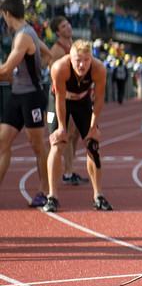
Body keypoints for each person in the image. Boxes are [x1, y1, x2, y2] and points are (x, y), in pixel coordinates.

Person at [42, 40, 113, 212]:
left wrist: (94, 127)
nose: (82, 64)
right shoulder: (60, 68)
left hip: (82, 102)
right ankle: (52, 197)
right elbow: (59, 100)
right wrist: (62, 129)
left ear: (92, 59)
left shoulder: (99, 69)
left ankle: (98, 196)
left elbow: (99, 100)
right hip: (60, 101)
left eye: (86, 60)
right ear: (70, 58)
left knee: (93, 146)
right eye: (77, 60)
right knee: (57, 145)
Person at [0, 0, 51, 207]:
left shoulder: (24, 36)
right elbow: (46, 54)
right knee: (2, 142)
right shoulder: (23, 34)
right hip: (18, 94)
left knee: (37, 145)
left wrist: (28, 74)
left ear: (7, 14)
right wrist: (29, 70)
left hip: (32, 97)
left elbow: (5, 70)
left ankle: (44, 191)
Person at [48, 16, 90, 186]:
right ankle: (67, 172)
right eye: (63, 26)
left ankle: (69, 169)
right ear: (57, 32)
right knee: (67, 134)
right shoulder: (57, 50)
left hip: (79, 95)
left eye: (68, 24)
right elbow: (55, 76)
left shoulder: (75, 46)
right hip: (64, 96)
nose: (68, 28)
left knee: (75, 135)